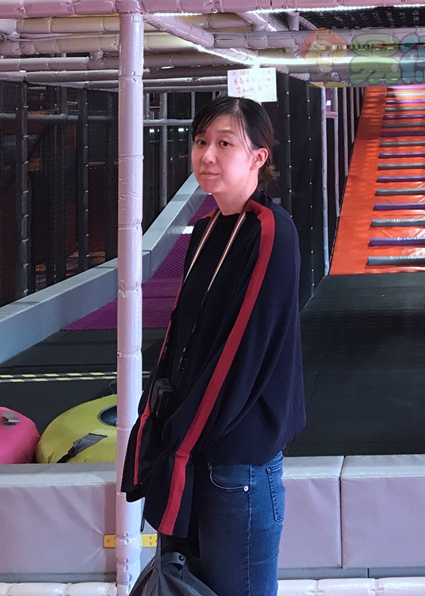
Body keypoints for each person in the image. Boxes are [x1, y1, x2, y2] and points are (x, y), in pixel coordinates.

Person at [123, 96, 306, 596]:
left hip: (234, 463)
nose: (207, 155)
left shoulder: (271, 231)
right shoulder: (206, 231)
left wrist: (180, 438)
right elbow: (181, 343)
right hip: (194, 454)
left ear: (258, 157)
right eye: (201, 141)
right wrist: (156, 429)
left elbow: (240, 353)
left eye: (225, 144)